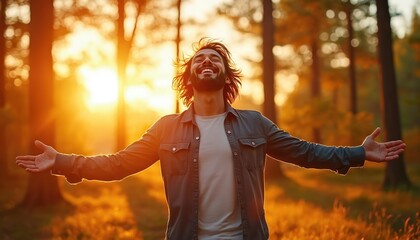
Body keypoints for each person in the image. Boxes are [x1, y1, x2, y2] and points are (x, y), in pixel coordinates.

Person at [16, 38, 406, 240]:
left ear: (226, 76)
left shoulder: (255, 124)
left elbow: (305, 152)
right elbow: (118, 163)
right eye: (199, 59)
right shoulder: (166, 128)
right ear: (189, 78)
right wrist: (64, 161)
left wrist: (357, 153)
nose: (207, 61)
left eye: (215, 58)